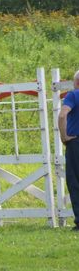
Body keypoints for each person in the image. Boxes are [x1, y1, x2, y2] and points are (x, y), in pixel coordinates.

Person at [58, 69, 79, 231]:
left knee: (75, 182)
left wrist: (64, 137)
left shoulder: (73, 95)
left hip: (76, 144)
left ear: (76, 82)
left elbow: (62, 115)